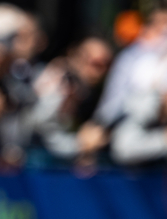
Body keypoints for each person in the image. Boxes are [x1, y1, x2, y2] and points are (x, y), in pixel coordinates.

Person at [29, 36, 113, 165]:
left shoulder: (93, 90)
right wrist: (79, 144)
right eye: (96, 63)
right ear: (80, 58)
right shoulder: (59, 82)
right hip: (39, 164)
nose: (101, 71)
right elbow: (39, 127)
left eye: (107, 65)